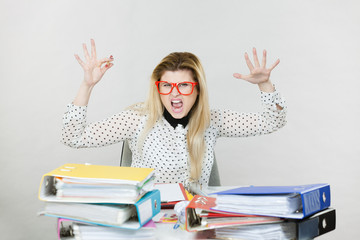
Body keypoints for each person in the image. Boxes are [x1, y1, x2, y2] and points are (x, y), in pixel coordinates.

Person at [61, 39, 286, 187]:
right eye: (167, 86)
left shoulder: (211, 120)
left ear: (197, 89)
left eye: (184, 86)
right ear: (158, 88)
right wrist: (87, 85)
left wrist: (264, 84)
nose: (174, 94)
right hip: (150, 224)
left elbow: (273, 121)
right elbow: (73, 137)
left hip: (196, 225)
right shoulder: (137, 119)